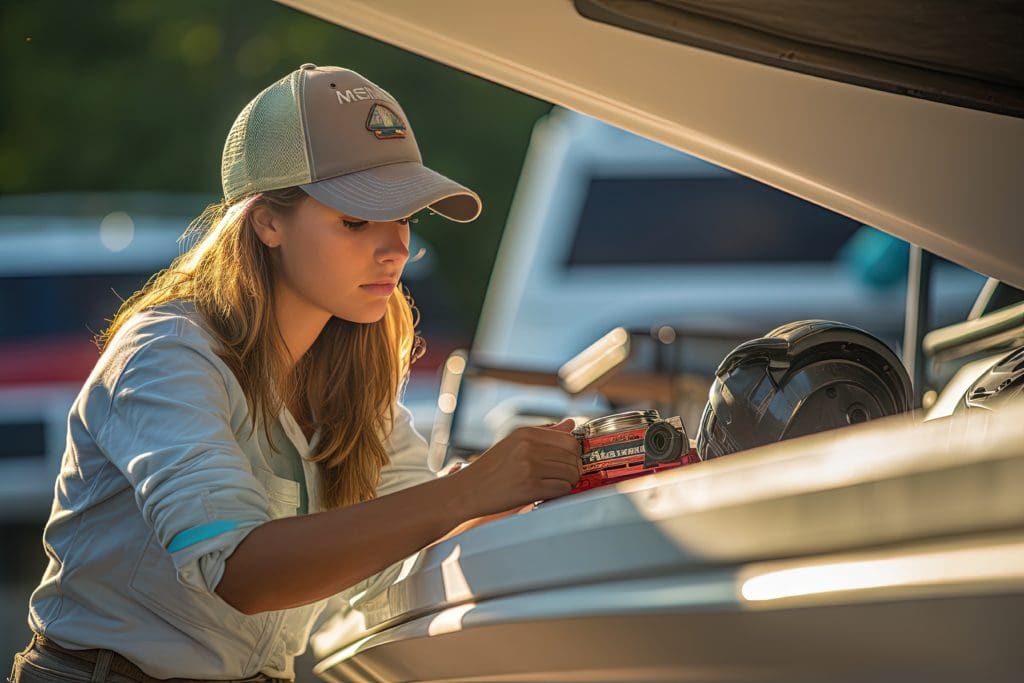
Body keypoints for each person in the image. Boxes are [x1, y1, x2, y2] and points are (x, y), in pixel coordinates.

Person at [8, 63, 582, 682]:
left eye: (405, 217)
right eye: (356, 221)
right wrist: (472, 488)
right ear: (267, 222)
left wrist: (558, 480)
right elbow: (239, 574)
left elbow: (411, 531)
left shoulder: (351, 371)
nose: (395, 248)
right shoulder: (165, 354)